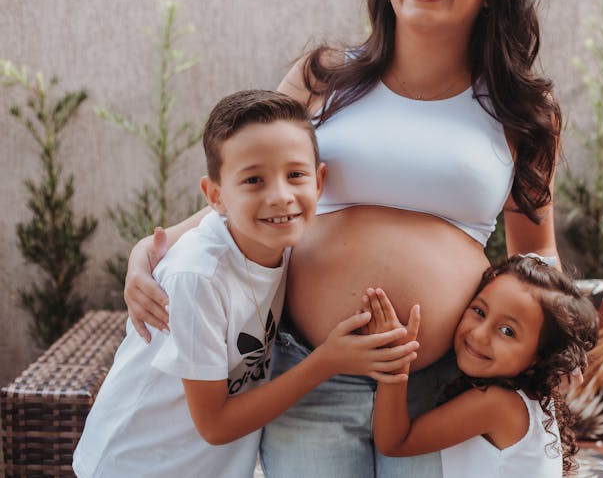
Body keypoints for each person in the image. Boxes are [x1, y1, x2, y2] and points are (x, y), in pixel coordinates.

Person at [124, 0, 566, 476]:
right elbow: (250, 194)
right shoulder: (322, 78)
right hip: (310, 370)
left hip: (437, 382)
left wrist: (558, 355)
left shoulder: (522, 110)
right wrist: (150, 250)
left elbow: (535, 256)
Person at [73, 90, 419, 478]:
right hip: (137, 464)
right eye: (254, 180)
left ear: (319, 182)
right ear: (215, 196)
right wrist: (329, 361)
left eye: (296, 175)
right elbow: (215, 424)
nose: (281, 197)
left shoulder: (283, 244)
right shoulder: (199, 277)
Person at [361, 255, 598, 477]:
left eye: (507, 331)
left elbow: (395, 443)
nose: (479, 334)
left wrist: (395, 356)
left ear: (539, 357)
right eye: (479, 311)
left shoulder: (499, 404)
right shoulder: (528, 397)